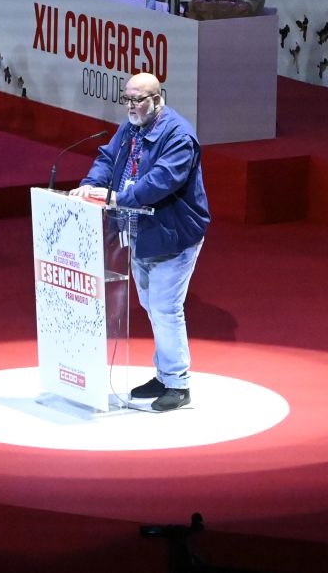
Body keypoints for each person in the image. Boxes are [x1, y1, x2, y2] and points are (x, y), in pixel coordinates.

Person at [74, 72, 210, 412]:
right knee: (151, 306)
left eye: (138, 100)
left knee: (165, 308)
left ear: (157, 99)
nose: (131, 106)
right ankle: (164, 375)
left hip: (172, 235)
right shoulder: (130, 127)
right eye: (128, 99)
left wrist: (117, 198)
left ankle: (178, 384)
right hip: (138, 232)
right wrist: (91, 185)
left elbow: (161, 181)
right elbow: (108, 159)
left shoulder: (179, 136)